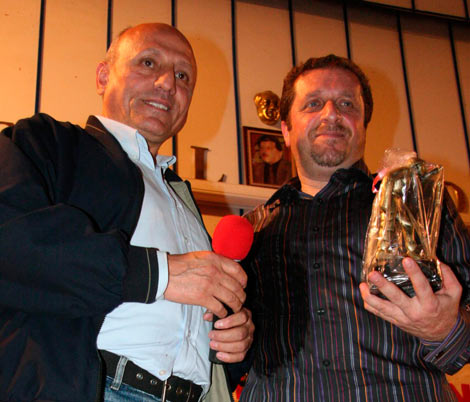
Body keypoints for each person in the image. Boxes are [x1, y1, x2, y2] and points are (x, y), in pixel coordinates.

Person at [0, 23, 254, 402]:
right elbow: (12, 242)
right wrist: (158, 273)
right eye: (148, 63)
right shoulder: (46, 143)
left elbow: (185, 327)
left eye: (182, 76)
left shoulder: (181, 198)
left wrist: (233, 340)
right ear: (103, 76)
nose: (167, 83)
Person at [237, 54, 470, 401]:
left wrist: (444, 329)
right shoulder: (251, 229)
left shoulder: (414, 200)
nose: (331, 113)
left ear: (363, 124)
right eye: (313, 103)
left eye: (347, 104)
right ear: (285, 129)